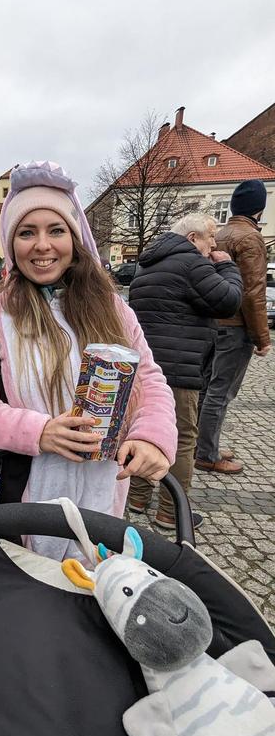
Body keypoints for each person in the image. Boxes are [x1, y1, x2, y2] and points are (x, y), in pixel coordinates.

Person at [0, 161, 177, 560]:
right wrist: (40, 432)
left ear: (74, 238)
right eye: (26, 232)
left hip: (102, 494)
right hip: (25, 496)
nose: (42, 245)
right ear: (10, 243)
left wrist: (151, 435)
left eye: (56, 230)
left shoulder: (113, 310)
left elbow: (151, 380)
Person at [127, 213, 242, 529]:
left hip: (147, 366)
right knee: (181, 438)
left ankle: (137, 497)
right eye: (210, 239)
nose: (213, 245)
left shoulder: (148, 263)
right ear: (192, 238)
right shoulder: (193, 264)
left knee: (144, 430)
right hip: (179, 370)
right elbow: (229, 301)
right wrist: (227, 266)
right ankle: (170, 511)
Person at [196, 180, 271, 474]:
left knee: (204, 387)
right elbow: (253, 292)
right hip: (235, 325)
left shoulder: (221, 234)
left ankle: (200, 443)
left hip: (212, 323)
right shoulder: (250, 239)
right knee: (221, 392)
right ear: (259, 208)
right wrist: (262, 337)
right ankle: (207, 453)